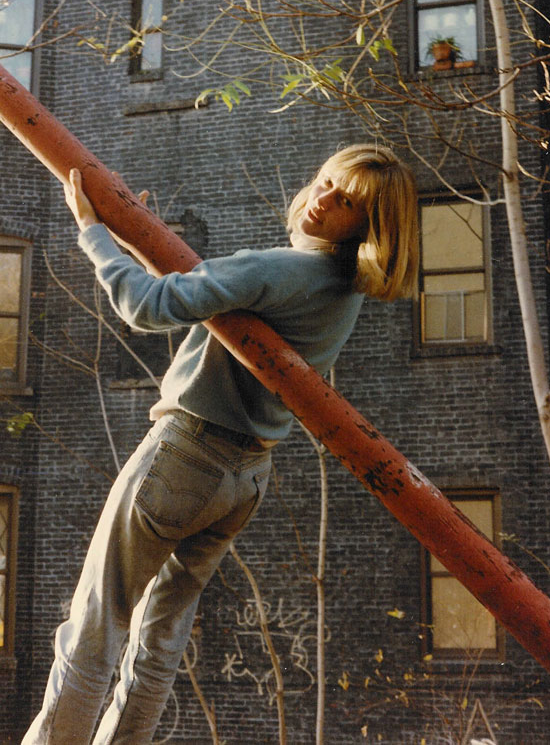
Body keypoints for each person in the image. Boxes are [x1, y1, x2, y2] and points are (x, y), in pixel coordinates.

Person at [23, 144, 418, 744]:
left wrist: (92, 233)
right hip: (243, 480)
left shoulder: (281, 269)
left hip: (184, 454)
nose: (323, 200)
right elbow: (212, 304)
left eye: (348, 202)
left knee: (94, 626)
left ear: (370, 224)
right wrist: (141, 245)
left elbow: (145, 307)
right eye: (326, 182)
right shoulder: (342, 291)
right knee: (158, 643)